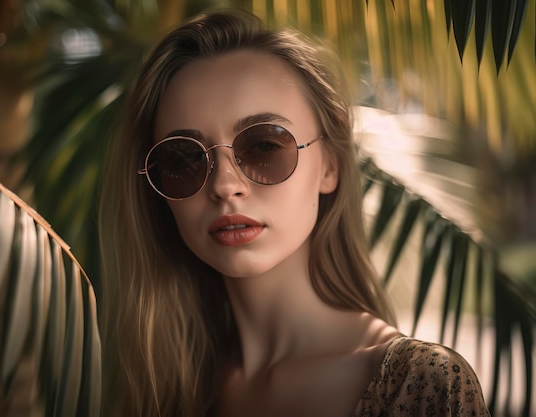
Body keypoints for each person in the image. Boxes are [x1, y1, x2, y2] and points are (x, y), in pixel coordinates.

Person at [98, 9, 490, 417]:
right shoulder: (160, 393)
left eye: (265, 145)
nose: (224, 185)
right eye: (184, 158)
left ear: (330, 165)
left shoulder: (419, 383)